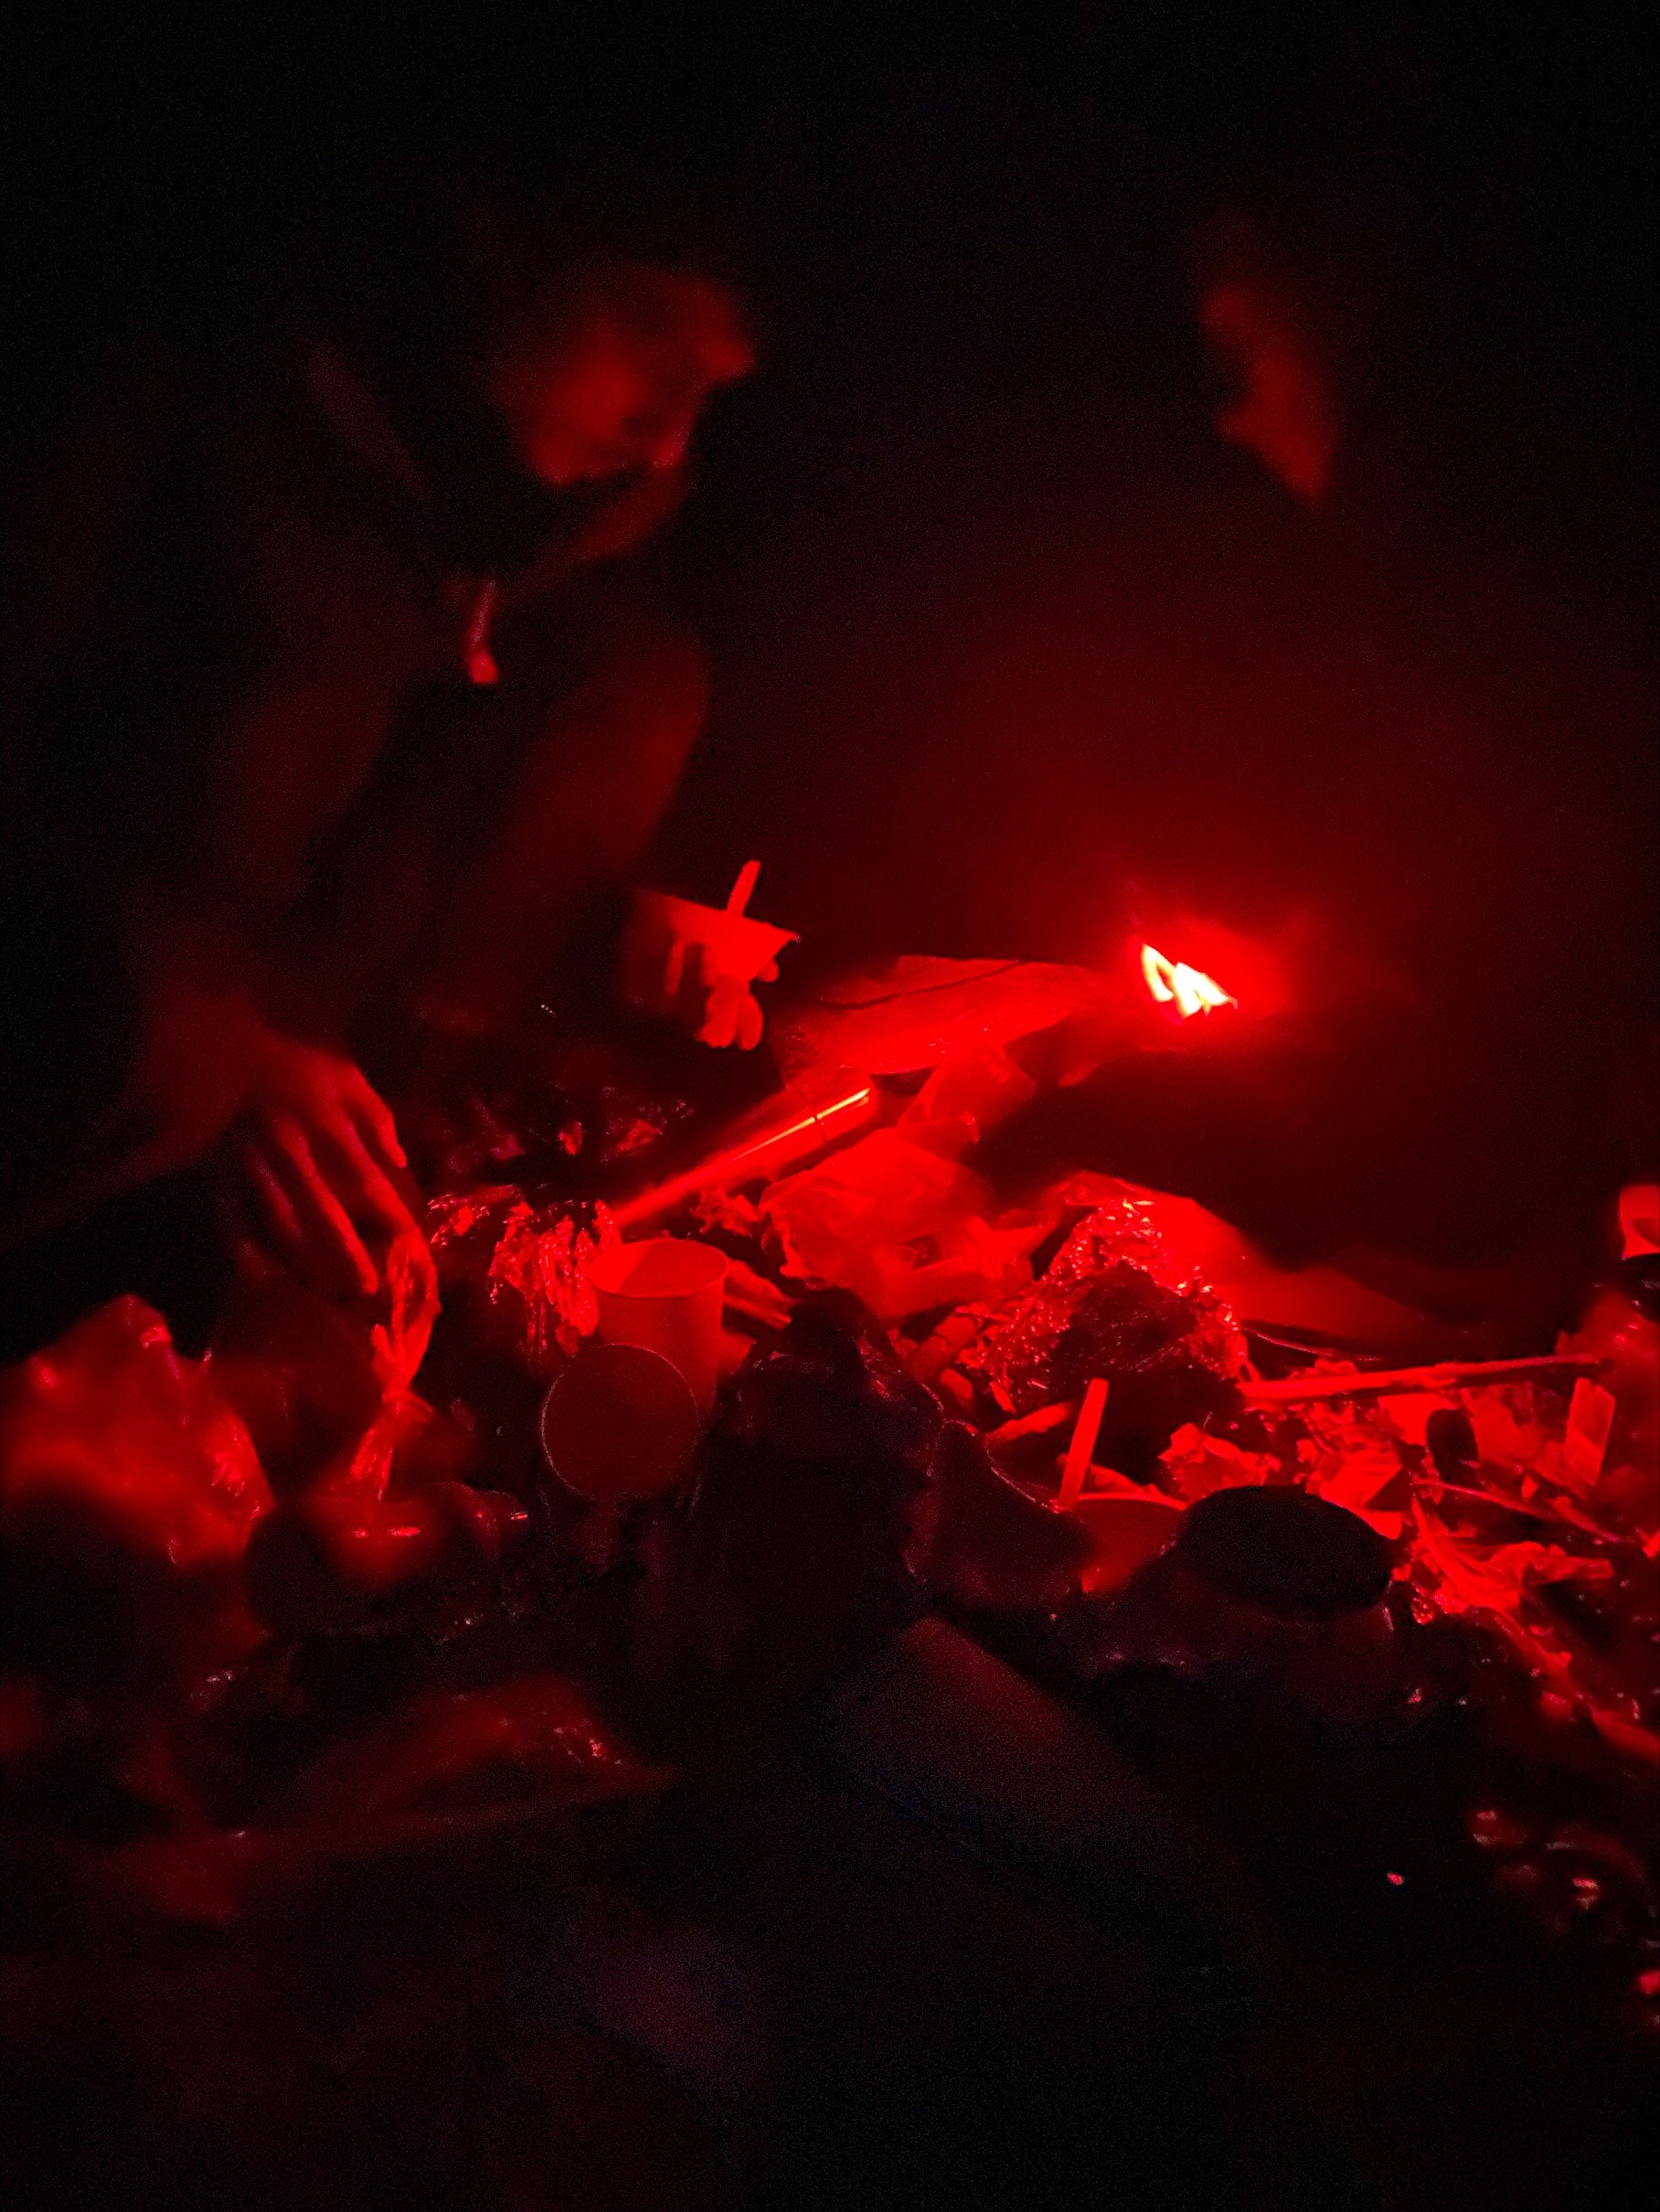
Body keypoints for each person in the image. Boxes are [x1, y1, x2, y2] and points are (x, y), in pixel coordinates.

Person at [0, 160, 754, 1352]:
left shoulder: (535, 504)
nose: (666, 440)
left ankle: (397, 1114)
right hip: (96, 915)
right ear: (510, 262)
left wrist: (670, 894)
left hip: (289, 939)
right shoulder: (201, 398)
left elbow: (489, 734)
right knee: (172, 1069)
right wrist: (193, 994)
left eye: (707, 394)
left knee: (646, 680)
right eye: (653, 351)